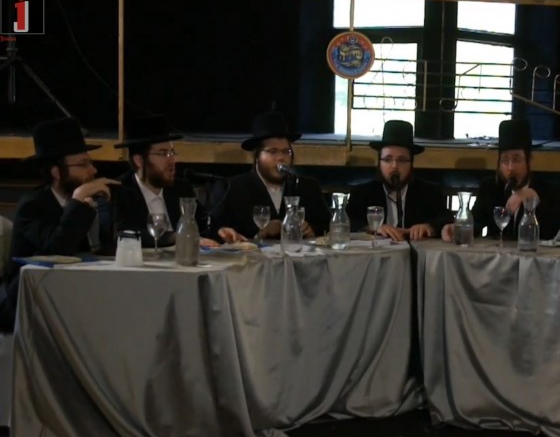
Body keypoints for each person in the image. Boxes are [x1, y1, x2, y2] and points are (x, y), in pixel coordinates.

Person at [0, 118, 121, 332]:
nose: (93, 170)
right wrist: (78, 200)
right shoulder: (33, 205)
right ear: (56, 172)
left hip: (70, 296)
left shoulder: (83, 203)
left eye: (90, 162)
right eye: (83, 164)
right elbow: (57, 249)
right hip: (28, 306)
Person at [209, 111, 330, 242]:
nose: (281, 158)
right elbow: (214, 233)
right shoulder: (231, 189)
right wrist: (260, 233)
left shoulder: (307, 187)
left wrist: (312, 230)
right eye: (273, 152)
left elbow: (328, 227)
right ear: (257, 156)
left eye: (286, 152)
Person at [442, 118, 560, 242]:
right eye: (504, 160)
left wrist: (533, 200)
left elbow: (550, 233)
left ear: (529, 161)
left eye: (516, 160)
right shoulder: (490, 187)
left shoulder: (550, 191)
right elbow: (476, 224)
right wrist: (457, 229)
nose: (510, 168)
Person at [113, 115, 214, 247]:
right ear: (139, 160)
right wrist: (173, 237)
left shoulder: (181, 188)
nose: (172, 160)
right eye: (163, 154)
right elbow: (122, 234)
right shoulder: (119, 191)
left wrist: (220, 231)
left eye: (172, 153)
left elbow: (203, 223)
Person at [346, 120, 450, 241]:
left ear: (411, 164)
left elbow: (446, 220)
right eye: (387, 159)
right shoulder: (362, 193)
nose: (394, 166)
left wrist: (429, 227)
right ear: (379, 162)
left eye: (402, 160)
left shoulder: (430, 192)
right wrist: (372, 227)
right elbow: (347, 222)